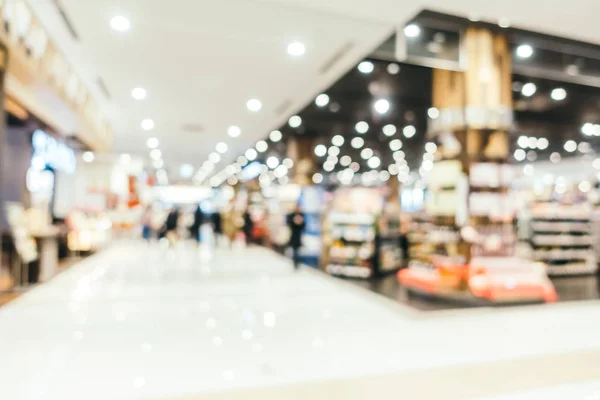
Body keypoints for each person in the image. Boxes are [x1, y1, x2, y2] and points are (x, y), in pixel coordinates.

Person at [286, 204, 306, 270]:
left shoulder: (302, 215)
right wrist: (295, 221)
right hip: (293, 235)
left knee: (298, 251)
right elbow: (289, 224)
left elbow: (304, 226)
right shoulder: (292, 215)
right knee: (295, 251)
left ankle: (297, 262)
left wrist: (300, 222)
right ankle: (295, 263)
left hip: (299, 236)